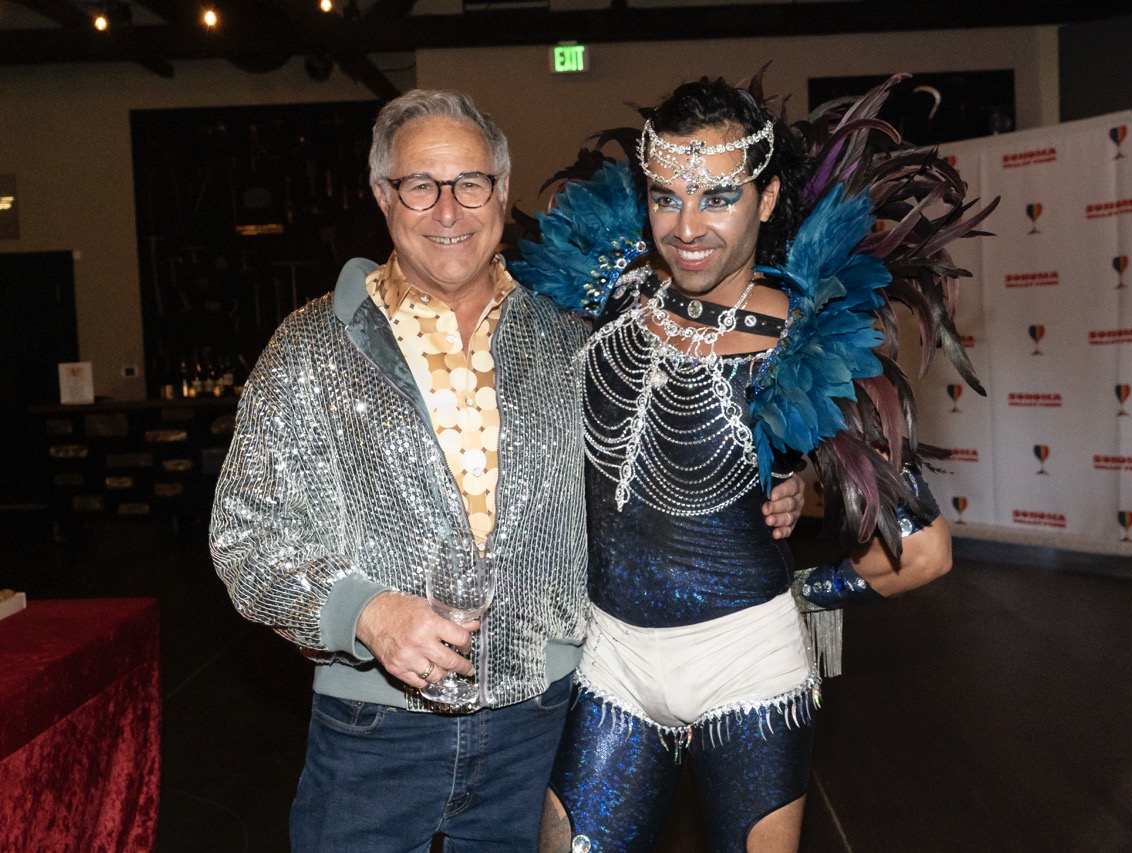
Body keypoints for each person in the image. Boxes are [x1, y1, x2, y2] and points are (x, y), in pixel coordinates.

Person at [209, 88, 804, 852]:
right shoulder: (310, 347)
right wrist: (365, 613)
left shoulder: (575, 340)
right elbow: (243, 530)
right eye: (420, 185)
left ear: (502, 190)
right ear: (383, 196)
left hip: (540, 729)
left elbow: (657, 465)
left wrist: (776, 478)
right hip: (371, 734)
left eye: (470, 183)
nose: (447, 210)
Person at [514, 74, 993, 852]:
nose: (687, 226)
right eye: (666, 197)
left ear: (767, 199)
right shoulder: (602, 294)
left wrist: (806, 587)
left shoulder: (807, 345)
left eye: (717, 197)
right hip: (611, 662)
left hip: (749, 672)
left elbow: (925, 549)